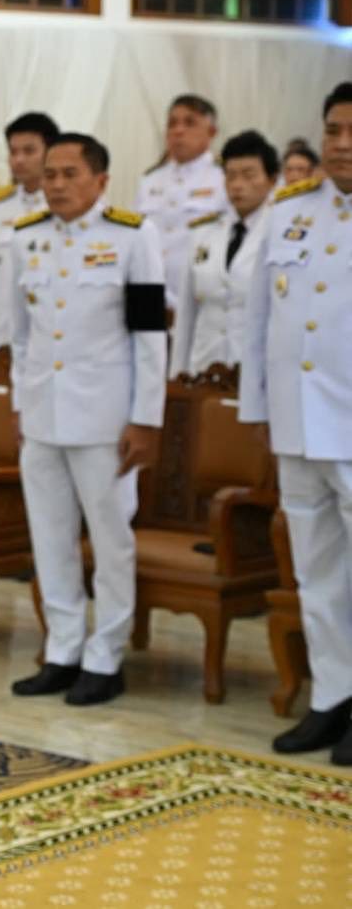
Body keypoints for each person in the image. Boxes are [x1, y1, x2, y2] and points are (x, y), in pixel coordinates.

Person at [8, 133, 166, 707]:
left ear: (101, 181)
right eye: (50, 174)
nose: (56, 184)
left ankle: (106, 656)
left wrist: (145, 418)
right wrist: (20, 405)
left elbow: (149, 334)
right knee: (50, 538)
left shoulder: (132, 236)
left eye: (69, 174)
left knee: (110, 539)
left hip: (106, 419)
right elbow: (20, 335)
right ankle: (63, 650)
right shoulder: (25, 238)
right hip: (42, 414)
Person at [241, 81, 352, 767]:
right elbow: (259, 317)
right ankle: (333, 696)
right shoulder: (289, 212)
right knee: (316, 569)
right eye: (334, 130)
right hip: (300, 423)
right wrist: (258, 408)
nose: (343, 144)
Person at [169, 130, 276, 377]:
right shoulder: (203, 233)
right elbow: (186, 315)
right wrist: (177, 374)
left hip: (258, 371)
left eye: (249, 175)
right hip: (203, 369)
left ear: (272, 179)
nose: (237, 185)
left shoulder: (281, 234)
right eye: (230, 175)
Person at [0, 112, 59, 352]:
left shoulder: (66, 206)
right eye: (13, 152)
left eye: (29, 151)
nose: (19, 160)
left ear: (51, 152)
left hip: (51, 340)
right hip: (3, 338)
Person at [136, 94, 227, 307]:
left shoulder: (223, 177)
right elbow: (137, 238)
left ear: (212, 132)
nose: (178, 130)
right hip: (151, 295)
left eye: (189, 123)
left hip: (199, 296)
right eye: (172, 123)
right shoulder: (149, 180)